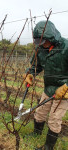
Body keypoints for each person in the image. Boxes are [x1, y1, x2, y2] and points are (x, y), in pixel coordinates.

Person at [24, 20, 68, 150]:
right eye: (39, 42)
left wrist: (66, 86)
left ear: (51, 37)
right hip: (48, 88)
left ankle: (48, 147)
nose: (42, 45)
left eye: (44, 41)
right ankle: (36, 133)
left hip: (64, 91)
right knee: (40, 112)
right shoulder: (40, 49)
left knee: (54, 119)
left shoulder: (66, 47)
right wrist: (30, 74)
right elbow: (35, 66)